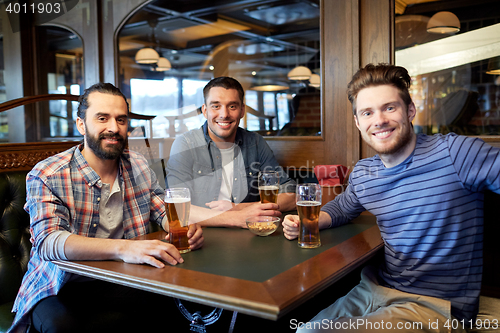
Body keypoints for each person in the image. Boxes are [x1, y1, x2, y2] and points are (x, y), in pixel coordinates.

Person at [282, 63, 500, 332]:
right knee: (305, 330)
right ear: (358, 122)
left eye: (389, 108)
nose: (379, 120)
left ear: (410, 110)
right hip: (374, 288)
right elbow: (342, 208)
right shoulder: (364, 172)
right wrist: (309, 221)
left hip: (437, 305)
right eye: (367, 112)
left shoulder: (455, 153)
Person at [9, 83, 204, 333]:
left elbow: (161, 209)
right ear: (81, 124)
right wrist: (125, 249)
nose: (114, 127)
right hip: (59, 286)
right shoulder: (48, 174)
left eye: (121, 119)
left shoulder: (138, 164)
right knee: (62, 327)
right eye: (102, 118)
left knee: (185, 305)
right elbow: (48, 242)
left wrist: (182, 228)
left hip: (123, 278)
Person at [166, 76, 296, 228]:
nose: (224, 114)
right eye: (216, 106)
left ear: (242, 111)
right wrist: (235, 217)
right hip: (203, 235)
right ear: (205, 110)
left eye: (232, 106)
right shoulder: (185, 144)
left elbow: (291, 195)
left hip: (249, 235)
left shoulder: (255, 142)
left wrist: (240, 208)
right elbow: (175, 207)